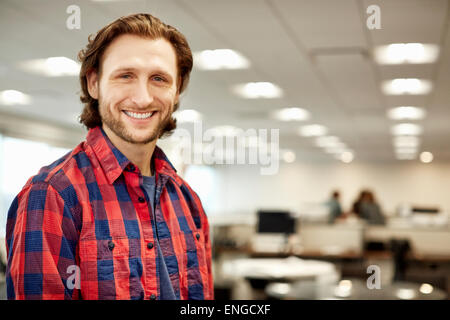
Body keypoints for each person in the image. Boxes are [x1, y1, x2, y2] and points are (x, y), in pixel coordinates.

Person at [5, 13, 213, 300]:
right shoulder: (52, 195)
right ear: (94, 83)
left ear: (177, 90)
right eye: (125, 76)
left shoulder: (188, 200)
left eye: (159, 79)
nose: (142, 98)